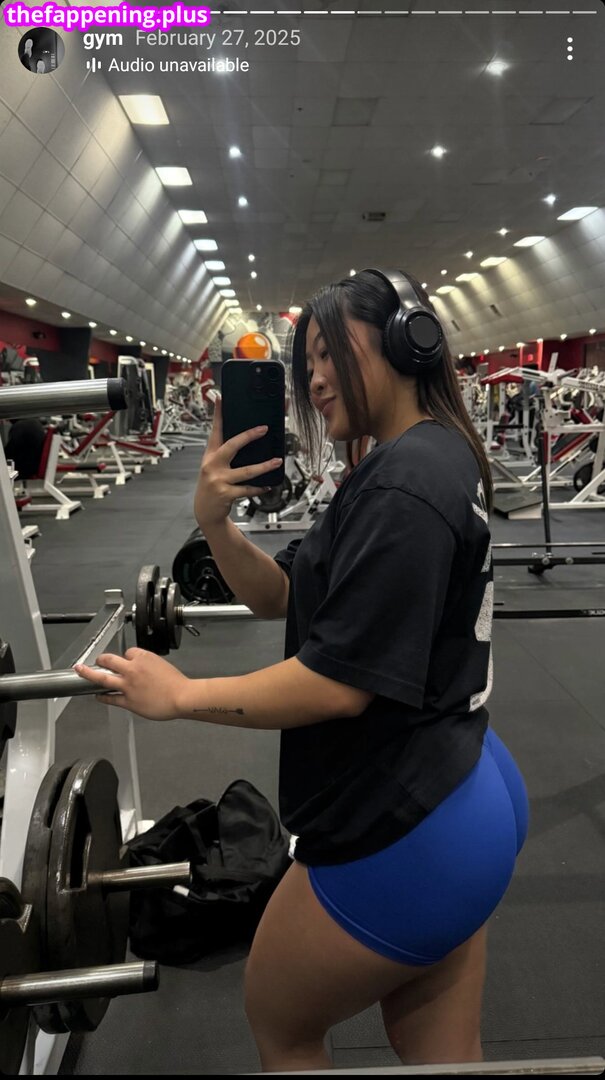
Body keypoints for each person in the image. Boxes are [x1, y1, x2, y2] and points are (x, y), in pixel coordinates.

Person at [75, 269, 530, 1072]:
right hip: (464, 794)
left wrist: (180, 696)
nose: (315, 378)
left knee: (283, 1027)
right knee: (439, 1051)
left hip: (407, 819)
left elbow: (336, 684)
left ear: (403, 344)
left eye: (330, 353)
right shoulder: (417, 459)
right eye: (307, 361)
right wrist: (214, 522)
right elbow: (282, 596)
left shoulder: (403, 484)